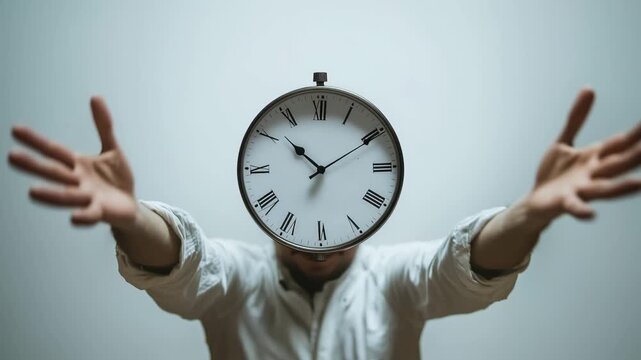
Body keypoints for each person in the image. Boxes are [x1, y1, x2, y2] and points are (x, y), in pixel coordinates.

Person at [7, 89, 641, 359]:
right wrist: (132, 220)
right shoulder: (236, 283)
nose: (319, 241)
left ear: (373, 207)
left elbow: (460, 268)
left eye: (343, 216)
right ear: (264, 202)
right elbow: (182, 264)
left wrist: (529, 215)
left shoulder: (396, 282)